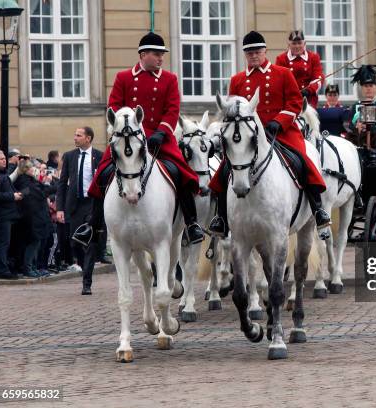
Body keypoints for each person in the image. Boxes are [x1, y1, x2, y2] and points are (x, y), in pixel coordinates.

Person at [72, 32, 204, 247]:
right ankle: (93, 226)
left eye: (162, 54)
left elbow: (172, 109)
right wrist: (122, 129)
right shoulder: (123, 77)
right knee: (102, 174)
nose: (161, 58)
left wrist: (162, 131)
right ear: (143, 54)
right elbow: (113, 107)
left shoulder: (169, 79)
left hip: (160, 138)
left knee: (181, 174)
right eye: (156, 54)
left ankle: (191, 224)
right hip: (128, 138)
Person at [208, 30, 330, 237]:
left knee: (302, 161)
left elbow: (294, 103)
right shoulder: (237, 80)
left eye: (257, 52)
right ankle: (221, 217)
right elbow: (231, 110)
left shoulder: (282, 73)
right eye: (249, 53)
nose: (254, 56)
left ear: (265, 51)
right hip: (249, 136)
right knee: (224, 168)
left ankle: (318, 211)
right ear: (245, 55)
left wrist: (278, 121)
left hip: (280, 131)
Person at [57, 127, 103, 294]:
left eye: (78, 135)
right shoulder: (69, 156)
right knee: (75, 243)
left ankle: (87, 283)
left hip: (92, 204)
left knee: (90, 244)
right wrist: (59, 208)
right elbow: (62, 184)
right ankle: (86, 269)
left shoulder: (99, 155)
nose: (75, 138)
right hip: (75, 205)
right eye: (74, 134)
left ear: (88, 138)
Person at [275, 30, 324, 108]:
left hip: (309, 99)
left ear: (304, 43)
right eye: (294, 43)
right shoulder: (281, 59)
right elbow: (280, 81)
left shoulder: (313, 57)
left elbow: (318, 78)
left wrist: (309, 90)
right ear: (289, 44)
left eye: (299, 43)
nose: (297, 46)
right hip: (289, 100)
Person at [0, 151, 22, 279]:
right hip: (1, 215)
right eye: (1, 159)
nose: (4, 161)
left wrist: (17, 194)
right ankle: (2, 270)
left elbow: (9, 189)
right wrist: (12, 196)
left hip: (9, 214)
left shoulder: (3, 174)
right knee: (2, 243)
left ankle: (4, 268)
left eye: (4, 158)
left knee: (6, 243)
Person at [349, 65, 376, 149]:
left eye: (371, 86)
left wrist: (375, 144)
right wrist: (358, 128)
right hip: (360, 145)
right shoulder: (356, 106)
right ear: (362, 88)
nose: (368, 89)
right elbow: (351, 127)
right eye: (365, 86)